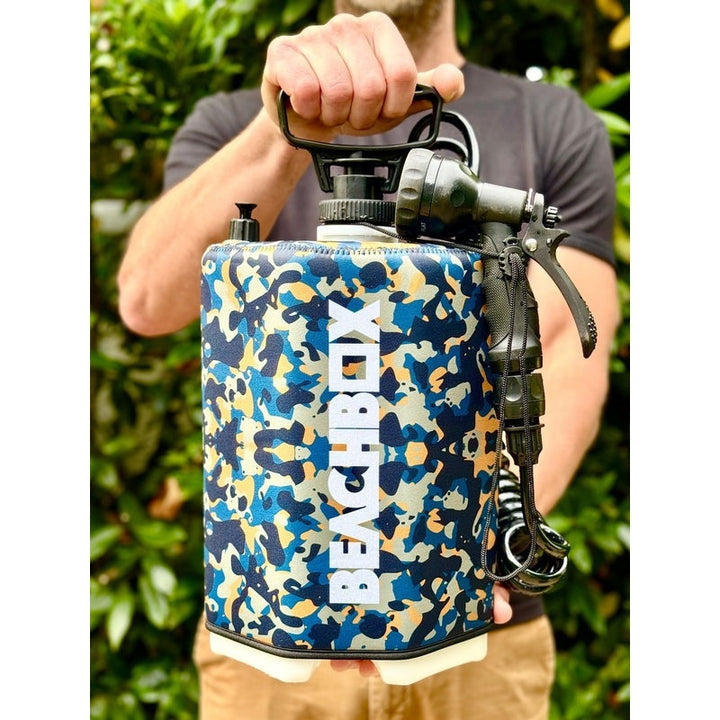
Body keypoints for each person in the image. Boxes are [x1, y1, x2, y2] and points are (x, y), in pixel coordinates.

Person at [117, 1, 620, 718]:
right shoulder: (232, 122)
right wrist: (283, 133)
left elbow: (566, 350)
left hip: (471, 616)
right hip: (274, 615)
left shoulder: (552, 119)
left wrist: (472, 537)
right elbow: (146, 300)